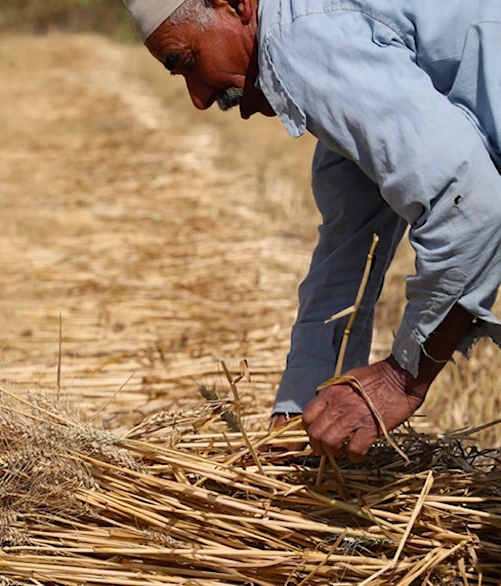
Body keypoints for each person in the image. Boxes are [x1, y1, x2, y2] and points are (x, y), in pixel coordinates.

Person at [122, 0, 501, 461]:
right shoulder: (323, 32)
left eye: (187, 62)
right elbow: (349, 246)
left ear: (234, 5)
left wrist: (401, 379)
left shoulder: (300, 39)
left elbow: (469, 201)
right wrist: (299, 411)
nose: (199, 97)